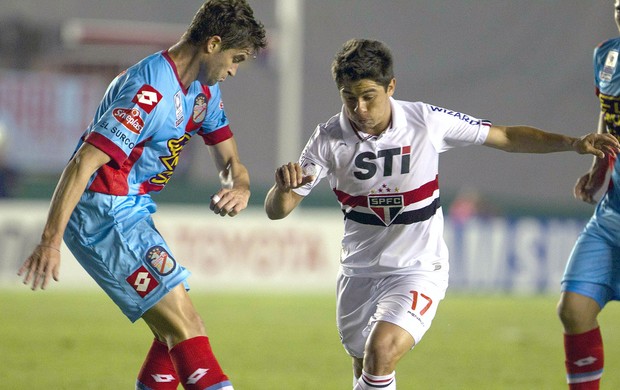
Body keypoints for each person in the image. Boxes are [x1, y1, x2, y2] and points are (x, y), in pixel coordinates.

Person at [264, 38, 620, 390]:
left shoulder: (425, 120)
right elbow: (278, 210)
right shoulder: (327, 138)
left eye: (368, 96)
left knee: (381, 352)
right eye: (348, 97)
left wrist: (571, 143)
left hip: (417, 270)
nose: (358, 108)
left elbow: (507, 136)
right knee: (365, 365)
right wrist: (282, 189)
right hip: (358, 272)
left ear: (391, 87)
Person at [17, 1, 266, 389]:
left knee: (171, 335)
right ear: (213, 44)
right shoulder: (148, 91)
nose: (234, 70)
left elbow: (229, 156)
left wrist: (240, 183)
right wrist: (50, 241)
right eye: (235, 58)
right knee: (187, 327)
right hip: (103, 215)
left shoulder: (203, 90)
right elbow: (83, 162)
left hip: (132, 212)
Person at [557, 1, 620, 389]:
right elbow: (608, 121)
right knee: (575, 308)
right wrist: (599, 168)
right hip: (611, 213)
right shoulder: (607, 54)